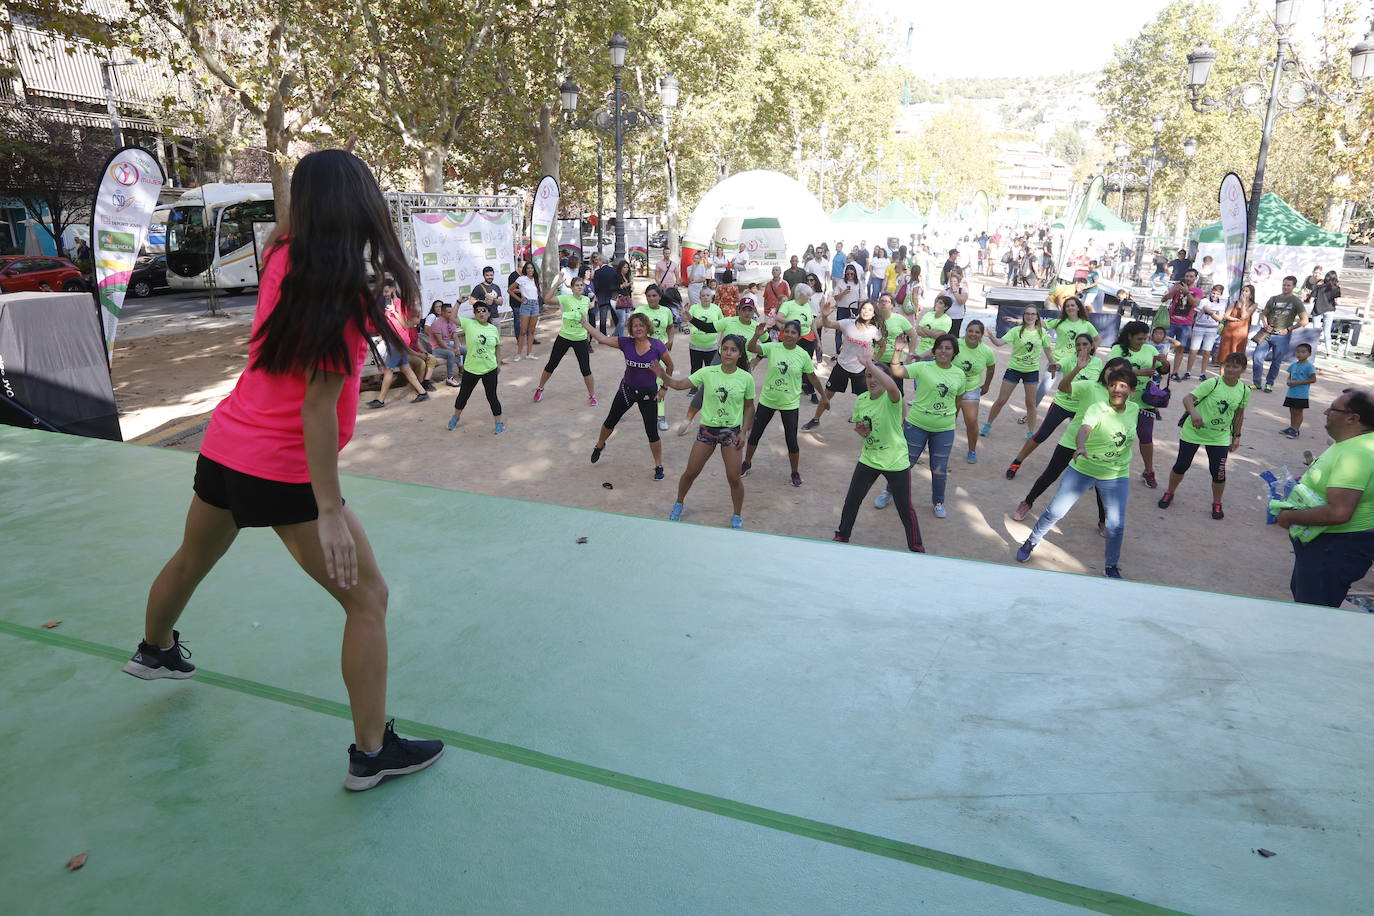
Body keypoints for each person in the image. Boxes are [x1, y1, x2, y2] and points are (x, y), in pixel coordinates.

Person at [121, 149, 445, 790]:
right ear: (362, 204)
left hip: (225, 445)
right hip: (283, 469)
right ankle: (372, 753)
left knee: (192, 556)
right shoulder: (338, 290)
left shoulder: (281, 256)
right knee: (368, 600)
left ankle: (155, 650)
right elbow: (318, 410)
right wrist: (327, 509)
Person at [1015, 367, 1140, 579]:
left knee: (1116, 525)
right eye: (1113, 385)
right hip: (1083, 469)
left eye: (1123, 386)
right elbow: (1085, 429)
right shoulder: (1097, 409)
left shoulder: (1134, 409)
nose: (1116, 390)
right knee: (1055, 511)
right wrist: (1080, 446)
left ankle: (1111, 565)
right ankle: (1031, 541)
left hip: (1116, 474)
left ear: (1132, 391)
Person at [1277, 387, 1374, 606]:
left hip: (1334, 549)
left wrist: (1288, 517)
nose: (1325, 413)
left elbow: (1339, 512)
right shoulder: (1355, 442)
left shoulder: (1356, 454)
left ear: (1352, 418)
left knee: (1312, 614)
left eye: (1332, 409)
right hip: (1329, 547)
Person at [657, 335, 755, 529]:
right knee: (691, 472)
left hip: (731, 432)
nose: (728, 353)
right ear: (720, 349)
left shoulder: (746, 378)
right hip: (707, 430)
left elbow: (749, 408)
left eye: (733, 350)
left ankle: (736, 515)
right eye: (725, 348)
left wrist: (743, 432)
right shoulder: (708, 372)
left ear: (740, 354)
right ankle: (679, 502)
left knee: (734, 477)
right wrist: (663, 375)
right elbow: (679, 385)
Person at [832, 350, 925, 552]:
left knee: (904, 509)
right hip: (869, 457)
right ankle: (842, 536)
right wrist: (863, 432)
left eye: (875, 376)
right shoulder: (862, 399)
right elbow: (863, 426)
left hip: (895, 460)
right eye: (868, 376)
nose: (871, 380)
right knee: (851, 501)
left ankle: (917, 548)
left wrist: (870, 365)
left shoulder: (893, 397)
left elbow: (892, 386)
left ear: (884, 378)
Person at [880, 334, 966, 518]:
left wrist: (949, 419)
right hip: (917, 425)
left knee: (939, 468)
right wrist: (897, 351)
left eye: (948, 348)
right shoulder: (923, 366)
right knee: (904, 462)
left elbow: (958, 399)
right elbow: (897, 372)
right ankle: (888, 491)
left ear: (954, 352)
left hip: (944, 429)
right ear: (934, 350)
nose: (944, 351)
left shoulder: (959, 374)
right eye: (940, 347)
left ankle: (938, 502)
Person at [1159, 352, 1248, 519]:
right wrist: (1194, 414)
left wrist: (1237, 436)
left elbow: (1239, 414)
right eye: (1228, 365)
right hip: (1194, 431)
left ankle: (1217, 503)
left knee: (1219, 472)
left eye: (1235, 366)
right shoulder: (1212, 383)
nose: (1230, 369)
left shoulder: (1243, 390)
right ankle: (1170, 492)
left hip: (1219, 437)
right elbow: (1187, 399)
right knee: (1181, 465)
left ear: (1243, 369)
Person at [583, 310, 671, 480]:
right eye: (635, 325)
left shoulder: (657, 345)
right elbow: (602, 338)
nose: (638, 328)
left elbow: (670, 366)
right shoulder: (626, 343)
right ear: (630, 328)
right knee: (610, 421)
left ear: (647, 327)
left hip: (649, 395)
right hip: (627, 391)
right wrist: (585, 324)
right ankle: (599, 445)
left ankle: (658, 465)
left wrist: (664, 388)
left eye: (641, 325)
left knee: (652, 432)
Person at [744, 320, 827, 486]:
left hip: (790, 404)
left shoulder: (802, 354)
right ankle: (746, 463)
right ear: (782, 333)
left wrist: (823, 396)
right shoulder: (773, 347)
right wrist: (756, 335)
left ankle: (794, 472)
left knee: (791, 440)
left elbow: (812, 377)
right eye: (787, 331)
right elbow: (751, 348)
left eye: (793, 332)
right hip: (767, 400)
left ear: (798, 336)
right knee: (755, 434)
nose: (789, 334)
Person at [1007, 333, 1101, 479]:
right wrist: (1054, 367)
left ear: (1092, 346)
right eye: (1078, 345)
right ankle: (1016, 462)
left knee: (1084, 440)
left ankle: (1084, 471)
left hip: (1082, 409)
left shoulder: (1098, 363)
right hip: (1062, 404)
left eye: (1085, 344)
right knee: (1041, 435)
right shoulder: (1070, 360)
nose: (1081, 347)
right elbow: (1058, 365)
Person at [804, 297, 883, 430]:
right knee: (827, 394)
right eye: (864, 308)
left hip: (860, 370)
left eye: (870, 310)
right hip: (842, 366)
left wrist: (874, 363)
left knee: (865, 398)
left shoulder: (873, 331)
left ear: (874, 314)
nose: (866, 311)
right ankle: (815, 419)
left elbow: (882, 346)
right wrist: (824, 316)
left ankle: (866, 422)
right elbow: (828, 324)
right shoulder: (848, 323)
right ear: (860, 310)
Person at [1108, 320, 1169, 488]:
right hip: (1120, 400)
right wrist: (1138, 373)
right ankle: (1101, 469)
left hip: (1144, 401)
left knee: (1146, 437)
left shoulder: (1150, 349)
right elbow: (1111, 371)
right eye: (1139, 339)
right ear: (1129, 337)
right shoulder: (1118, 350)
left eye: (1145, 338)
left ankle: (1148, 471)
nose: (1143, 342)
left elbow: (1162, 370)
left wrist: (1165, 364)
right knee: (1113, 436)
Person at [980, 306, 1052, 437]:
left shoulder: (1042, 333)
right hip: (1014, 369)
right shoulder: (1016, 331)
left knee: (1031, 403)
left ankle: (1031, 432)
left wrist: (1053, 363)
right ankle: (987, 424)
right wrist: (990, 336)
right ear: (1024, 315)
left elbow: (1048, 351)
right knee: (1001, 400)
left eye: (1033, 314)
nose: (1030, 316)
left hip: (1031, 371)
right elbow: (999, 343)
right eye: (1027, 314)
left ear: (1037, 317)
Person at [534, 275, 597, 405]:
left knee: (586, 369)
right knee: (552, 364)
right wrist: (557, 283)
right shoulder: (566, 298)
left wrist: (594, 301)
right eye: (577, 285)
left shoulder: (585, 300)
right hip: (565, 337)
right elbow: (547, 299)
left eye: (581, 285)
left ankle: (592, 396)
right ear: (572, 288)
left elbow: (590, 306)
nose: (580, 287)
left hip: (580, 338)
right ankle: (540, 388)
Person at [445, 299, 505, 434]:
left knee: (492, 397)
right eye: (478, 311)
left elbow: (497, 347)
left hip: (489, 369)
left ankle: (499, 423)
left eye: (484, 310)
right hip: (471, 369)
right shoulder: (469, 324)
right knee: (463, 396)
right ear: (475, 314)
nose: (481, 313)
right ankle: (455, 418)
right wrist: (458, 302)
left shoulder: (493, 329)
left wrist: (498, 363)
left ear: (489, 313)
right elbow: (452, 317)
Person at [367, 300, 430, 409]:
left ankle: (380, 400)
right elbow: (390, 331)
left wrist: (395, 312)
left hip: (397, 344)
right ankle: (422, 392)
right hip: (398, 343)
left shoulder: (399, 309)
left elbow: (407, 324)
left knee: (388, 370)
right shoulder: (390, 314)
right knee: (405, 368)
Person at [1037, 297, 1097, 408]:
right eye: (1067, 306)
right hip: (1057, 361)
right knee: (1044, 388)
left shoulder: (1086, 324)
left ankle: (1072, 420)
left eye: (1072, 305)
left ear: (1078, 307)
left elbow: (1097, 339)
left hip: (1075, 363)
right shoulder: (1059, 322)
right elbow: (1039, 323)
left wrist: (1090, 353)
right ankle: (1030, 412)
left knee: (1073, 391)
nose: (1070, 308)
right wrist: (1020, 320)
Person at [1252, 275, 1308, 392]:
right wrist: (1265, 323)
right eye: (1284, 285)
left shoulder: (1296, 301)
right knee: (1257, 357)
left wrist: (1289, 329)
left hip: (1282, 336)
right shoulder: (1274, 299)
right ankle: (1257, 382)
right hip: (1267, 334)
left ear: (1293, 286)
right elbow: (1264, 314)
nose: (1285, 287)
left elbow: (1304, 320)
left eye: (1288, 285)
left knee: (1276, 361)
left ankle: (1269, 383)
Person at [954, 320, 998, 464]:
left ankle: (972, 450)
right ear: (965, 331)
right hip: (952, 388)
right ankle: (935, 445)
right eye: (970, 331)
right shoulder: (956, 344)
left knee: (971, 421)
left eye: (977, 332)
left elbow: (991, 368)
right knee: (946, 419)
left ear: (981, 335)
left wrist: (986, 385)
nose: (973, 334)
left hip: (971, 388)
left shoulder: (986, 351)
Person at [872, 292, 916, 391]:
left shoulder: (899, 319)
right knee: (877, 390)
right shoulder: (873, 319)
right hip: (877, 359)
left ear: (892, 305)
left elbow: (913, 336)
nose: (883, 303)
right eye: (881, 301)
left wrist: (911, 353)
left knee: (896, 391)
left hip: (895, 361)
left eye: (887, 301)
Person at [1163, 268, 1201, 379]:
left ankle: (1174, 372)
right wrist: (1173, 291)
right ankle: (1161, 370)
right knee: (1164, 347)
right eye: (1187, 276)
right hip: (1171, 321)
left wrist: (1187, 293)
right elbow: (1164, 299)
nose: (1188, 278)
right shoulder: (1176, 287)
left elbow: (1195, 304)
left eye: (1191, 276)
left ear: (1195, 278)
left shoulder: (1198, 291)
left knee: (1180, 348)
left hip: (1185, 324)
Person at [1186, 284, 1226, 379]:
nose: (1215, 295)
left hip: (1211, 329)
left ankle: (1202, 373)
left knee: (1207, 352)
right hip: (1199, 327)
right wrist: (1191, 326)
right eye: (1213, 293)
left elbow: (1220, 318)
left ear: (1221, 295)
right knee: (1193, 350)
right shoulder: (1204, 301)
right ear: (1211, 292)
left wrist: (1210, 312)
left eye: (1217, 294)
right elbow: (1194, 313)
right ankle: (1188, 371)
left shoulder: (1222, 304)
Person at [1280, 342, 1317, 438]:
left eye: (1303, 352)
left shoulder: (1309, 366)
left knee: (1298, 412)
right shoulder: (1293, 365)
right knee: (1292, 411)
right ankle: (1292, 428)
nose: (1299, 354)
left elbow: (1313, 379)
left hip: (1301, 394)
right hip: (1291, 393)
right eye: (1298, 352)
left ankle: (1296, 430)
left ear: (1309, 354)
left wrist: (1296, 383)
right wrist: (1288, 381)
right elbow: (1290, 376)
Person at [509, 261, 541, 362]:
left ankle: (529, 353)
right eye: (528, 268)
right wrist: (519, 300)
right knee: (523, 331)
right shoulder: (521, 279)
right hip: (526, 305)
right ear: (525, 270)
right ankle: (518, 354)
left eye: (531, 268)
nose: (530, 270)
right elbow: (510, 290)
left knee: (531, 331)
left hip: (535, 305)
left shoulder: (535, 279)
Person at [1217, 283, 1256, 364]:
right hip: (1229, 332)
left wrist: (1243, 304)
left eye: (1246, 291)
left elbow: (1244, 316)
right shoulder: (1234, 303)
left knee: (1237, 358)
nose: (1244, 293)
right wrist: (1234, 319)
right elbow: (1226, 316)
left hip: (1241, 334)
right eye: (1243, 291)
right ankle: (1221, 375)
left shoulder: (1253, 305)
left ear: (1251, 294)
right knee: (1224, 357)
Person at [427, 303, 463, 387]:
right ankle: (450, 378)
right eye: (449, 312)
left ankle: (464, 372)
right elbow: (440, 342)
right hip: (436, 348)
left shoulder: (451, 321)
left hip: (446, 346)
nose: (451, 314)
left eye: (451, 312)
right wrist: (453, 350)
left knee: (464, 350)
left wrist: (457, 348)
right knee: (451, 354)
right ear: (442, 313)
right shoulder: (436, 323)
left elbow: (455, 337)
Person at [830, 262, 863, 353]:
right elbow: (835, 297)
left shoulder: (859, 283)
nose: (850, 276)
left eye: (852, 274)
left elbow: (862, 297)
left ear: (855, 274)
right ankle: (838, 352)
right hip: (842, 308)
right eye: (848, 274)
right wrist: (843, 293)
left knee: (853, 331)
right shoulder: (841, 282)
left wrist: (860, 310)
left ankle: (850, 352)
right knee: (839, 331)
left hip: (854, 309)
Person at [1306, 270, 1341, 355]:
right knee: (1327, 331)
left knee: (1315, 331)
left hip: (1318, 309)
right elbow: (1338, 302)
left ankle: (1312, 351)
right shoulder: (1336, 288)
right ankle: (1328, 352)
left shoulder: (1318, 287)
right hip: (1329, 310)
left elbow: (1311, 301)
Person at [942, 268, 969, 337]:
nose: (952, 283)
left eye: (954, 281)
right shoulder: (946, 291)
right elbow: (938, 300)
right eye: (951, 281)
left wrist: (955, 292)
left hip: (957, 317)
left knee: (954, 335)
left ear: (958, 283)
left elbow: (961, 301)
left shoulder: (962, 290)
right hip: (945, 317)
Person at [613, 259, 635, 336]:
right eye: (624, 267)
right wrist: (621, 286)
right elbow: (612, 287)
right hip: (619, 299)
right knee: (622, 320)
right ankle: (621, 337)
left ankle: (615, 335)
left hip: (626, 299)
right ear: (620, 268)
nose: (626, 269)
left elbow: (627, 289)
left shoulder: (626, 276)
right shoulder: (616, 276)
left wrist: (630, 288)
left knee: (625, 319)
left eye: (627, 267)